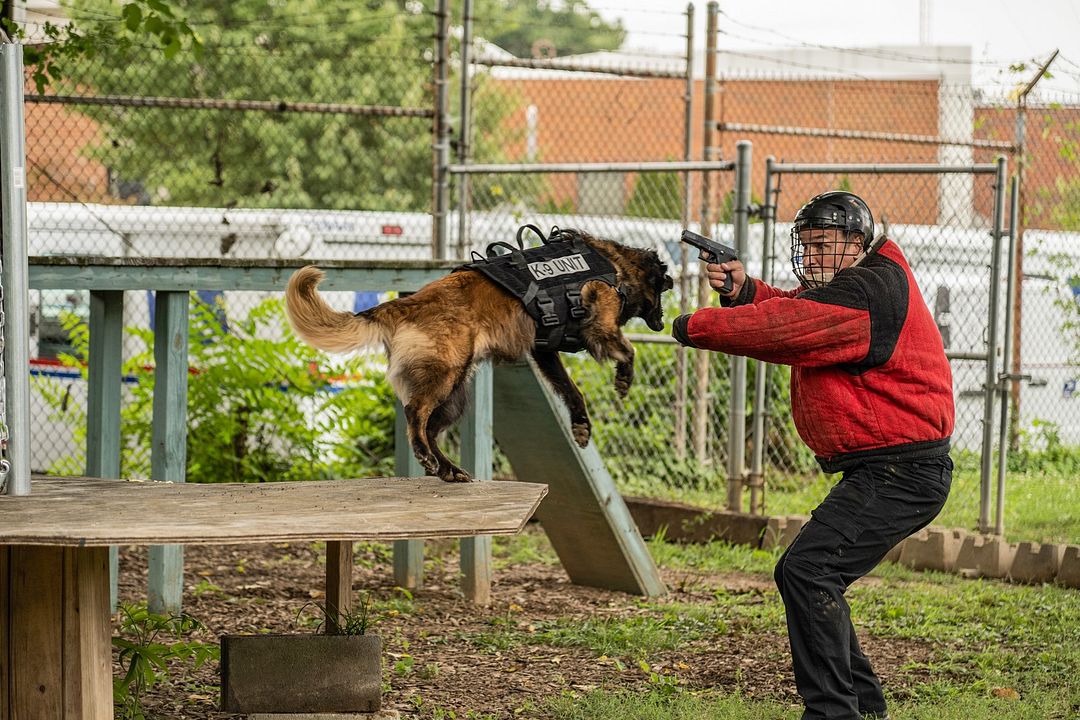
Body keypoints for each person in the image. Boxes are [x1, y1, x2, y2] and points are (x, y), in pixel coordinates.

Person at [671, 191, 954, 720]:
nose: (812, 256)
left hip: (904, 472)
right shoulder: (859, 283)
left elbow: (786, 328)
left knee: (808, 572)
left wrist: (695, 326)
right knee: (807, 573)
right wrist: (746, 290)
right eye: (806, 245)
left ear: (856, 241)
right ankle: (863, 709)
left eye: (823, 244)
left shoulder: (868, 292)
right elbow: (795, 310)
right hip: (891, 468)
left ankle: (835, 713)